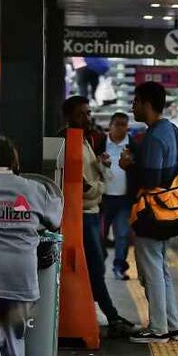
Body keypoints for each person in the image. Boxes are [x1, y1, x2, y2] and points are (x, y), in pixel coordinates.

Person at [0, 136, 61, 356]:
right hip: (22, 276)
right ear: (14, 161)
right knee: (13, 336)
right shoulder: (32, 189)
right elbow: (55, 220)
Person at [59, 95, 134, 336]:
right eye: (82, 113)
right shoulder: (68, 140)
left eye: (89, 112)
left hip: (89, 214)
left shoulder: (85, 140)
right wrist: (101, 184)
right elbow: (84, 187)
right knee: (95, 266)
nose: (88, 117)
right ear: (69, 116)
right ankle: (110, 316)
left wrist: (100, 168)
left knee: (96, 262)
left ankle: (104, 313)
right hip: (81, 215)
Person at [120, 82, 178, 343]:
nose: (132, 107)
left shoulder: (155, 136)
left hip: (151, 213)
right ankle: (172, 325)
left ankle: (158, 329)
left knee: (151, 270)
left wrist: (128, 166)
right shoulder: (172, 130)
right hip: (169, 210)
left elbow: (151, 179)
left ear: (147, 104)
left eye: (135, 102)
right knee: (161, 268)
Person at [101, 112, 133, 281]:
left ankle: (119, 267)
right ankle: (99, 265)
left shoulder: (132, 146)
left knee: (122, 234)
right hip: (103, 198)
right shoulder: (100, 143)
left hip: (123, 199)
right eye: (118, 124)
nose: (121, 128)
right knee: (100, 234)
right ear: (110, 125)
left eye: (124, 125)